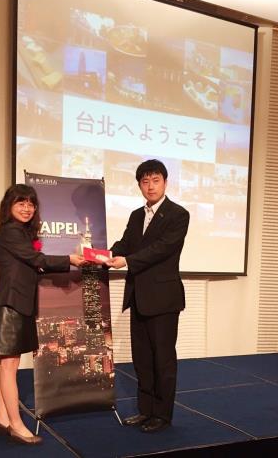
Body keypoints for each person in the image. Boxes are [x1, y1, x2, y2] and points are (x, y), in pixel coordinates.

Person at [0, 184, 85, 445]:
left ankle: (2, 418)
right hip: (12, 305)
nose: (27, 208)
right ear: (9, 205)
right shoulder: (10, 231)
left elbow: (31, 262)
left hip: (14, 304)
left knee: (3, 365)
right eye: (21, 202)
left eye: (31, 204)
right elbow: (36, 259)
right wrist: (71, 260)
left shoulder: (18, 233)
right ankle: (16, 425)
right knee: (9, 367)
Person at [106, 159, 189, 433]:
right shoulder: (135, 215)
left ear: (165, 182)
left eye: (155, 180)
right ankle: (145, 411)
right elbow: (125, 243)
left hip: (163, 298)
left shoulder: (178, 215)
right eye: (145, 181)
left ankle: (163, 415)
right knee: (142, 359)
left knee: (163, 360)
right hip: (138, 296)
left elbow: (161, 249)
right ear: (139, 185)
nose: (150, 186)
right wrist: (105, 254)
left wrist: (126, 260)